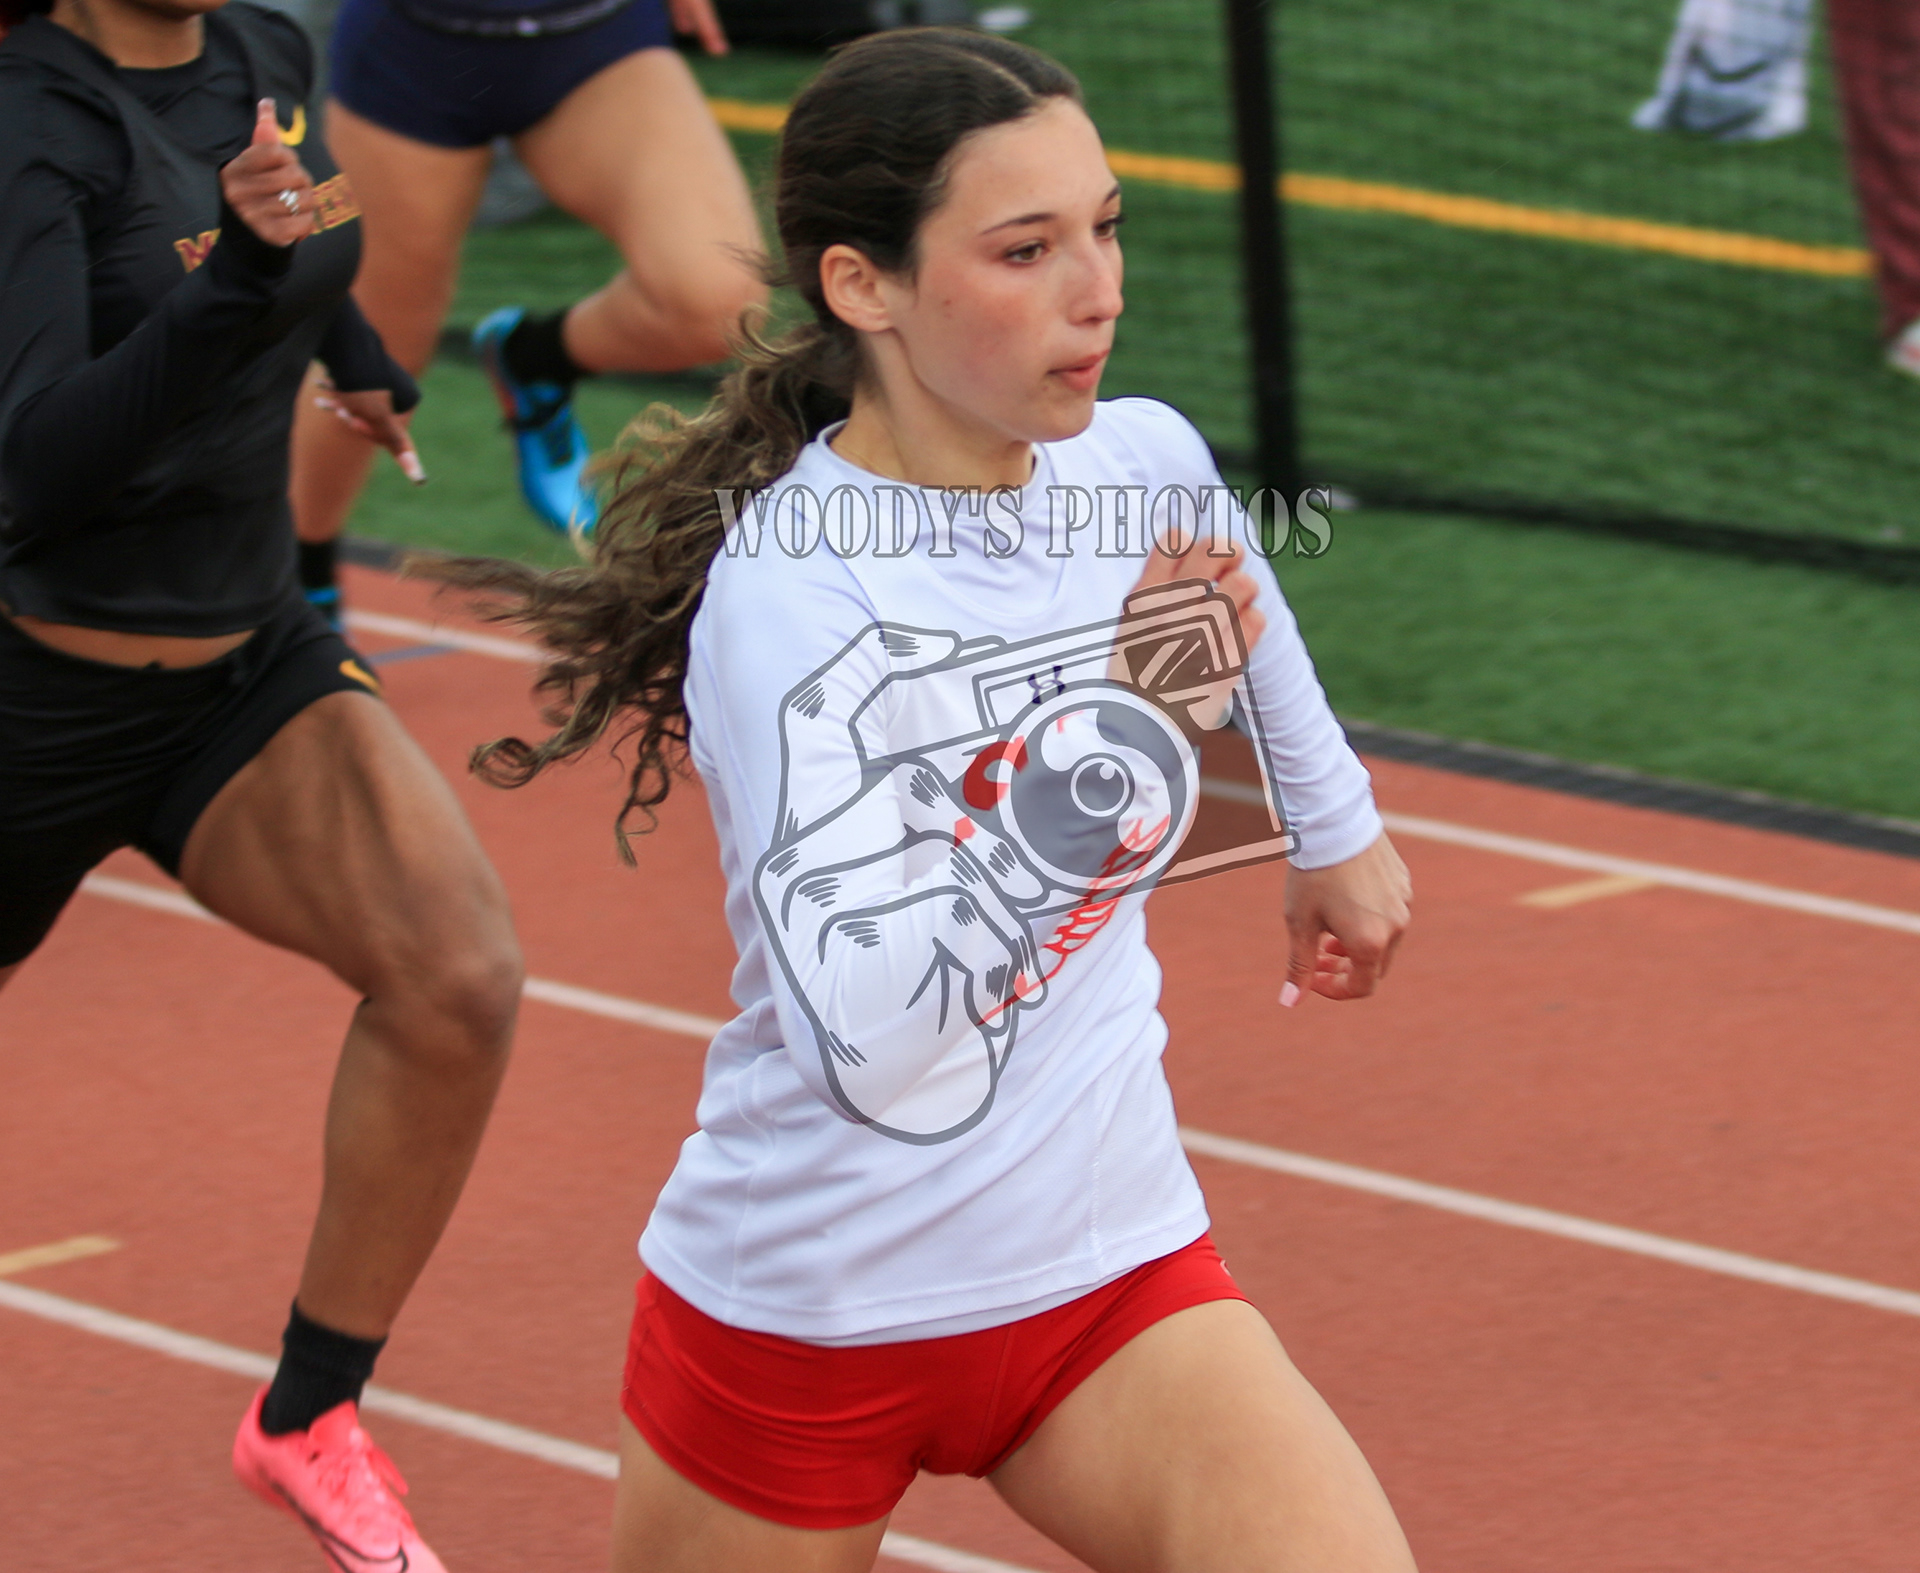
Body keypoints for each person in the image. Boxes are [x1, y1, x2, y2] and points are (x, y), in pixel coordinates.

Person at [438, 28, 1419, 1572]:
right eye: (1025, 250)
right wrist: (1128, 728)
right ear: (863, 285)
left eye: (1106, 228)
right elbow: (879, 1042)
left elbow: (1240, 597)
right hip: (814, 1315)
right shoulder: (794, 594)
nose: (1098, 289)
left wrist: (1337, 832)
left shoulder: (1136, 459)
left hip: (1107, 1273)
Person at [0, 2, 522, 1569]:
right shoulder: (31, 124)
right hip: (30, 685)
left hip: (241, 670)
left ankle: (309, 1416)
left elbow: (307, 236)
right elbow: (37, 465)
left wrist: (352, 356)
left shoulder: (265, 55)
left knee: (457, 975)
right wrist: (232, 279)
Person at [285, 0, 766, 625]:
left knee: (717, 302)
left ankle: (534, 359)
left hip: (594, 39)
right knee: (373, 367)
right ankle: (294, 577)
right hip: (417, 51)